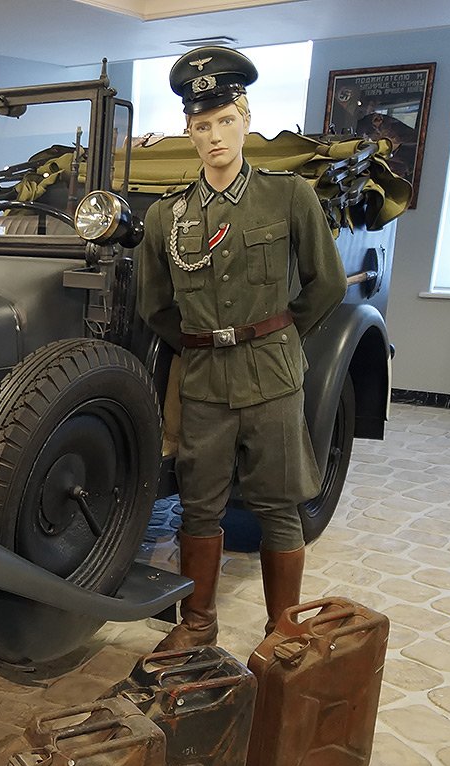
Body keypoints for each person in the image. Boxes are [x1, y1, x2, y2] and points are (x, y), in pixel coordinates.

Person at [137, 45, 346, 652]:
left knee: (278, 507)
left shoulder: (288, 196)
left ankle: (282, 629)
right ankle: (197, 625)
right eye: (201, 126)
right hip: (204, 380)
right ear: (189, 132)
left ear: (245, 119)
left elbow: (326, 283)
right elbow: (156, 306)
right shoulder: (168, 217)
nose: (214, 136)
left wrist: (274, 334)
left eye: (224, 120)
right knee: (200, 509)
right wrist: (203, 345)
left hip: (273, 378)